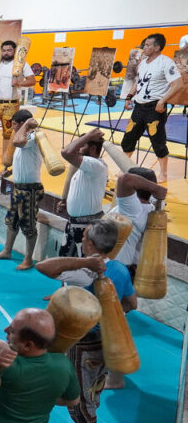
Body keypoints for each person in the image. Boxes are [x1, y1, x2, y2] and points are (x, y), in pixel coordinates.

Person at [35, 218, 136, 423]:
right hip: (106, 339)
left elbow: (43, 267)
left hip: (84, 341)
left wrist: (84, 262)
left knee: (81, 396)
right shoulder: (120, 269)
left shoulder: (85, 273)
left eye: (84, 237)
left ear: (90, 244)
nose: (81, 239)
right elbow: (131, 303)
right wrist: (109, 314)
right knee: (93, 389)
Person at [103, 168, 165, 390]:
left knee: (110, 325)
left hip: (117, 271)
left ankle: (116, 377)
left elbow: (125, 179)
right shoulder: (151, 208)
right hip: (124, 269)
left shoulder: (133, 207)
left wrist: (156, 189)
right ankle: (110, 371)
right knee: (111, 323)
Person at [121, 33, 183, 182]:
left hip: (155, 109)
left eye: (148, 45)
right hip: (139, 107)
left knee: (157, 141)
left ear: (157, 47)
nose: (144, 47)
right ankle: (125, 168)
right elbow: (138, 82)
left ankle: (163, 173)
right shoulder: (143, 63)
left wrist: (163, 101)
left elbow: (178, 84)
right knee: (128, 138)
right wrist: (129, 96)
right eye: (144, 45)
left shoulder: (165, 62)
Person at [0, 111, 43, 269]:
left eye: (14, 124)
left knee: (28, 225)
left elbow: (18, 142)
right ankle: (7, 251)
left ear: (21, 123)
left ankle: (28, 259)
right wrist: (11, 172)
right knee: (11, 221)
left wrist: (26, 125)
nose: (12, 127)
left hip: (30, 189)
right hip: (19, 187)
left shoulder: (32, 137)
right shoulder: (23, 137)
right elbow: (25, 161)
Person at [0, 40, 35, 168]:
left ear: (14, 51)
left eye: (9, 50)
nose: (6, 53)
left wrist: (19, 83)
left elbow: (32, 81)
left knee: (8, 132)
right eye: (4, 50)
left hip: (11, 104)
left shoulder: (21, 64)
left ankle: (5, 157)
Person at [58, 128, 107, 256]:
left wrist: (88, 135)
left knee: (84, 264)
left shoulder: (95, 165)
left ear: (92, 148)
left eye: (82, 145)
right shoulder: (84, 167)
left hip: (86, 226)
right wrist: (67, 202)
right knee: (65, 262)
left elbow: (66, 152)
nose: (78, 149)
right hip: (74, 223)